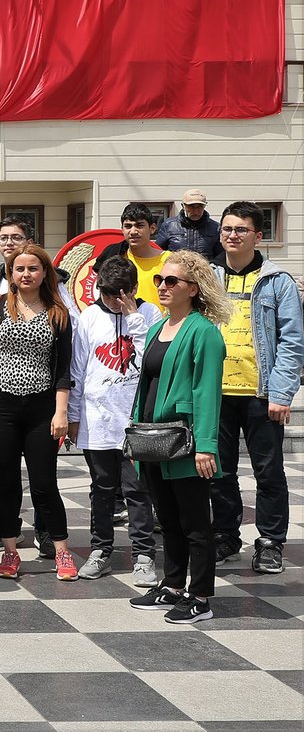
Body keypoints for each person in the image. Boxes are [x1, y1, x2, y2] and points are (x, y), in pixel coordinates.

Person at [0, 244, 82, 581]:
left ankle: (62, 551)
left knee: (44, 483)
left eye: (33, 268)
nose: (26, 274)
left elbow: (63, 369)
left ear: (45, 273)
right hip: (1, 406)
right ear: (10, 274)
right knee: (6, 482)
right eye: (19, 269)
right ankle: (10, 551)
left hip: (42, 408)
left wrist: (61, 412)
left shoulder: (58, 312)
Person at [128, 252, 230, 624]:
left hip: (186, 442)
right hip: (155, 440)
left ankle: (200, 597)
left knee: (196, 524)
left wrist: (206, 446)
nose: (162, 286)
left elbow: (207, 392)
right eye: (160, 280)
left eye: (172, 281)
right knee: (168, 520)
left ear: (194, 288)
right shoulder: (160, 327)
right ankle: (172, 586)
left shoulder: (203, 331)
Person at [210, 200, 302, 573]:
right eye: (227, 228)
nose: (232, 235)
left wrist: (281, 394)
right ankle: (226, 535)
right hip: (215, 394)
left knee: (268, 471)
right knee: (219, 471)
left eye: (241, 229)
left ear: (257, 236)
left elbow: (292, 342)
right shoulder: (208, 277)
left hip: (261, 395)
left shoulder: (277, 281)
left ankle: (270, 542)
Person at [70, 256, 159, 586]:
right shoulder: (89, 317)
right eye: (106, 294)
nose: (112, 301)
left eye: (119, 295)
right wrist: (73, 416)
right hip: (98, 420)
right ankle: (100, 550)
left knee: (137, 490)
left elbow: (151, 360)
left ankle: (144, 555)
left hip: (135, 421)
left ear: (133, 289)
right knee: (102, 489)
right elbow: (77, 369)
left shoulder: (150, 314)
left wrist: (132, 316)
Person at [97, 203, 167, 314]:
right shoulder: (114, 256)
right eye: (128, 226)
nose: (133, 231)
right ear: (122, 229)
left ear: (152, 228)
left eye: (140, 225)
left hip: (159, 323)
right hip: (123, 323)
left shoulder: (170, 261)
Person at [0, 216, 34, 303]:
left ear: (29, 243)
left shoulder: (46, 279)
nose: (9, 243)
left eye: (16, 238)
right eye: (3, 238)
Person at [154, 189, 221, 260]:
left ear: (205, 206)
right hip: (176, 266)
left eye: (200, 206)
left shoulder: (215, 228)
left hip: (205, 267)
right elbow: (158, 252)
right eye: (191, 206)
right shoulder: (169, 225)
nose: (196, 211)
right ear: (183, 206)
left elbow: (221, 256)